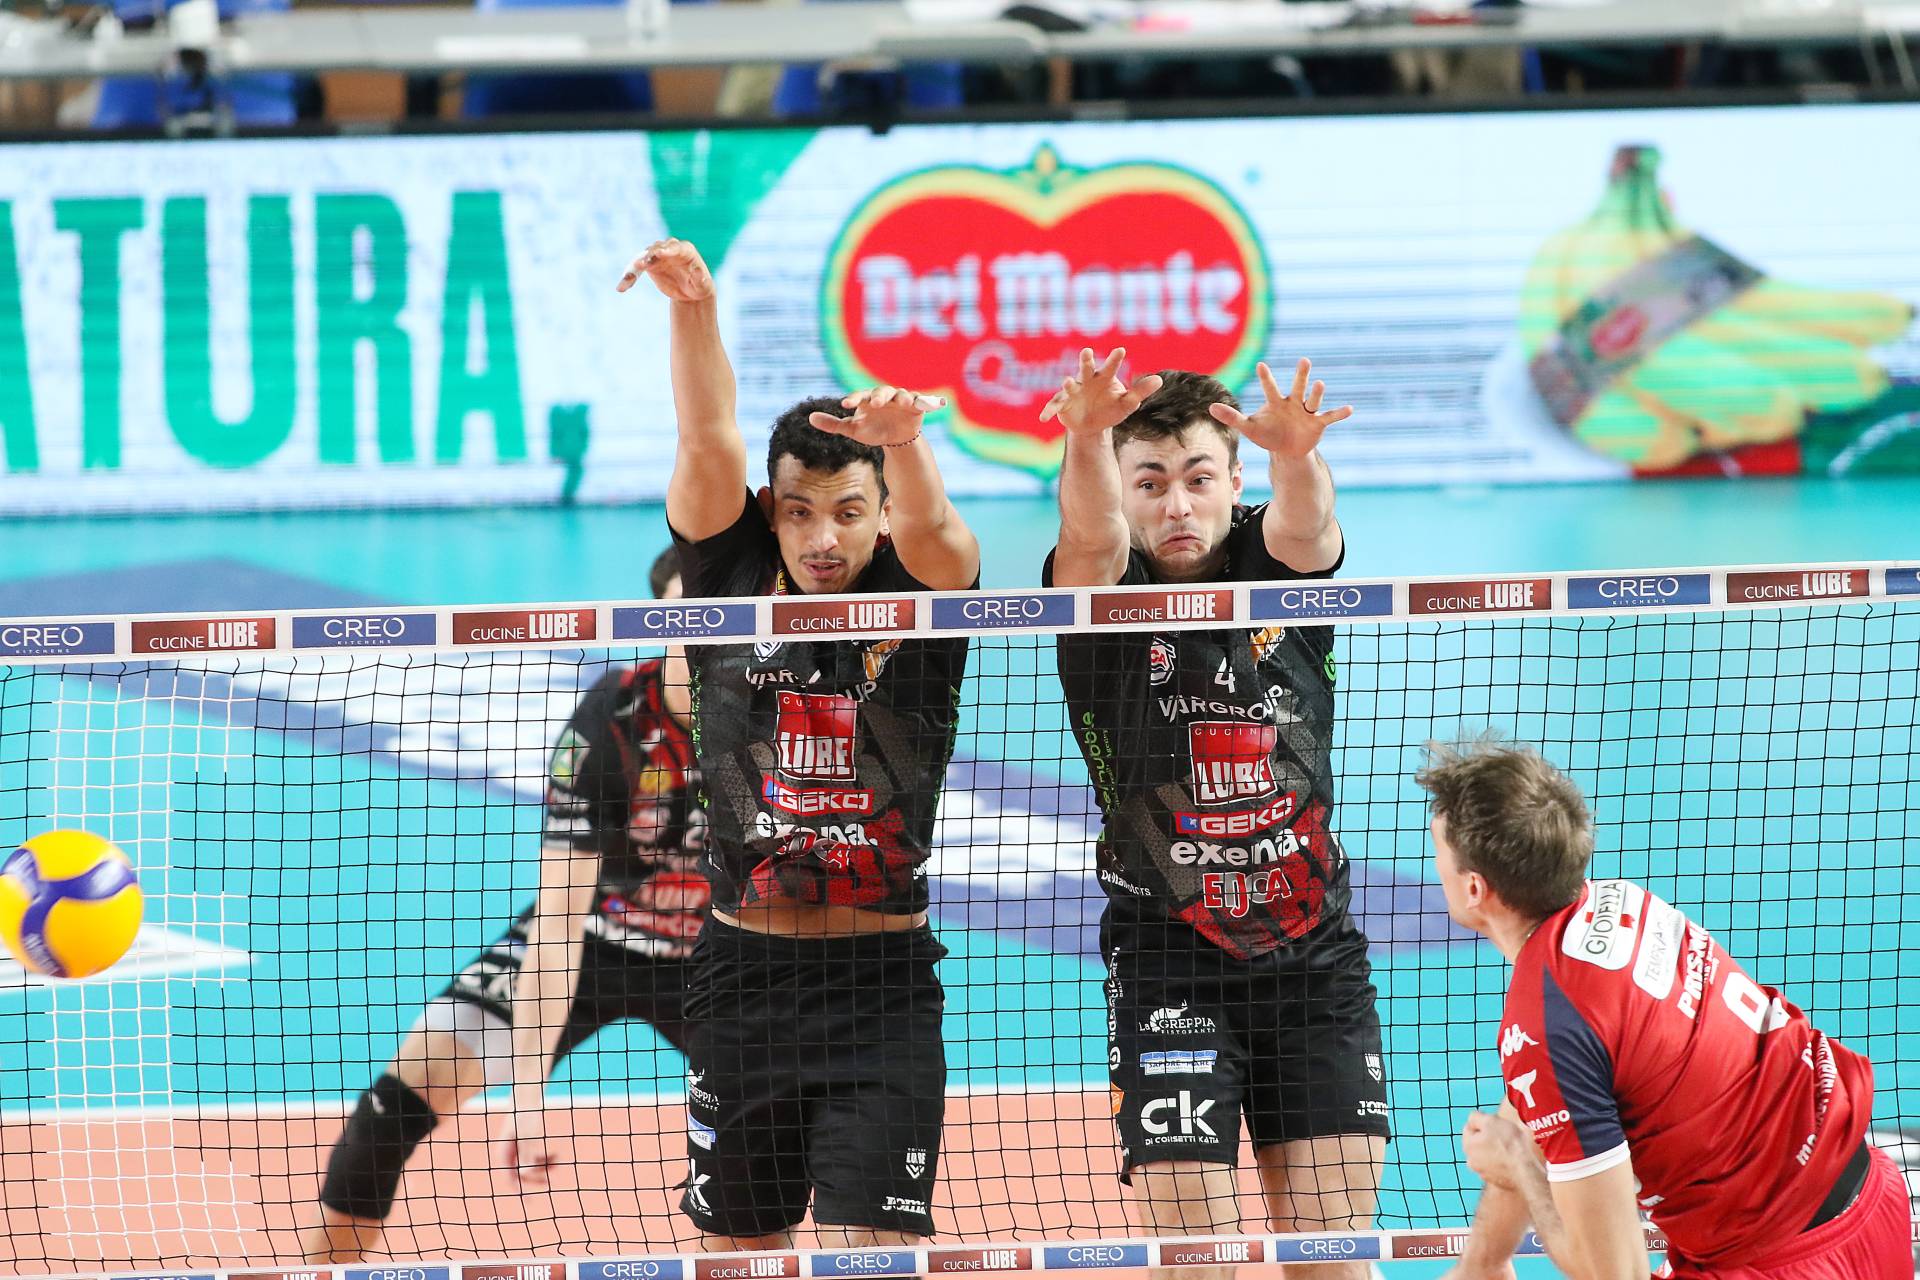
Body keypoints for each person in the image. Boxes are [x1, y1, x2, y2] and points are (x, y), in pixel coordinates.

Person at [617, 236, 980, 1251]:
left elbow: (942, 531)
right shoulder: (727, 573)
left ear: (881, 514)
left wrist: (907, 444)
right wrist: (694, 307)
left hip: (883, 984)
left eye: (851, 512)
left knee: (878, 1256)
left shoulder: (924, 588)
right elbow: (706, 439)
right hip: (742, 977)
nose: (824, 537)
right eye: (801, 512)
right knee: (737, 1254)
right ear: (771, 512)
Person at [1042, 349, 1387, 1278]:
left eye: (1198, 480)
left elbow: (1308, 526)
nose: (1177, 506)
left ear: (1235, 484)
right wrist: (1085, 437)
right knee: (1199, 1261)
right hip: (1170, 959)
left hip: (1315, 960)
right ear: (1123, 493)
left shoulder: (1274, 568)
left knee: (1334, 1261)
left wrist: (1297, 457)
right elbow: (1087, 533)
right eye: (1149, 483)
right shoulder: (1099, 592)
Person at [303, 546, 709, 1263]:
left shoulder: (777, 720)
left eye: (723, 612)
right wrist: (526, 1100)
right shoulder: (612, 721)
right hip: (593, 935)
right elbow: (556, 924)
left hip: (724, 959)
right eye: (688, 613)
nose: (705, 631)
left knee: (796, 1135)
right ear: (659, 619)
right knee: (390, 1111)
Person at [1418, 738, 1910, 1280]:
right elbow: (1544, 1098)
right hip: (1877, 1201)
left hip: (1781, 1263)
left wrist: (1517, 1166)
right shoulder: (1620, 904)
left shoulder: (1548, 1023)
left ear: (1474, 888)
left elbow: (1616, 1273)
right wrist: (1485, 1262)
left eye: (1438, 850)